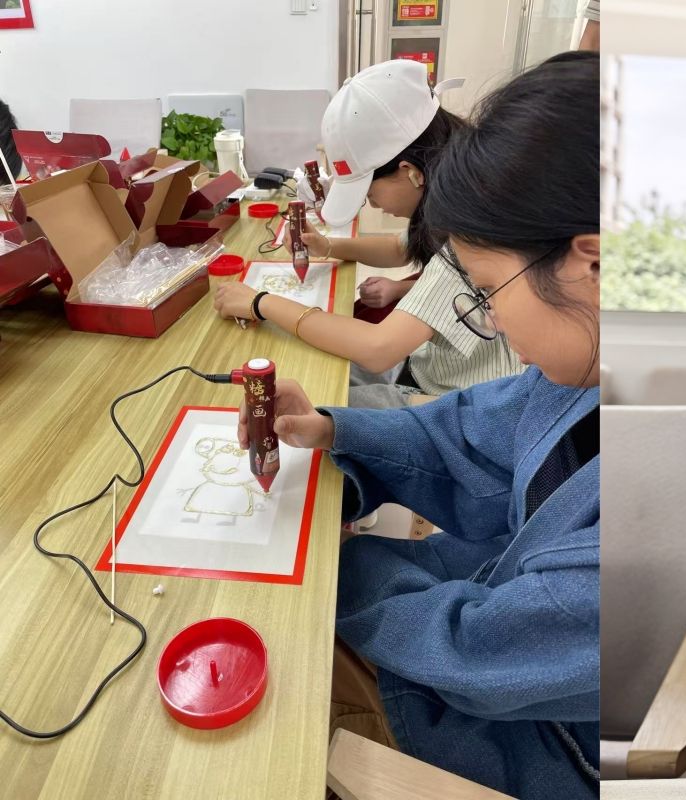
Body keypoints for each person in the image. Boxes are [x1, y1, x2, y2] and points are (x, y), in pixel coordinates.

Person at [240, 52, 600, 799]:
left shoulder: (648, 504)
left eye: (489, 290)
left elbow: (476, 653)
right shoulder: (583, 380)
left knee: (275, 693)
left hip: (530, 745)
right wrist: (333, 429)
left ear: (589, 264)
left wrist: (338, 567)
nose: (488, 318)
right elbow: (465, 434)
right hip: (490, 620)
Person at [214, 59, 524, 407]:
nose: (371, 204)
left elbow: (378, 349)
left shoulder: (467, 235)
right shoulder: (461, 197)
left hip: (455, 403)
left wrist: (260, 302)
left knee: (310, 399)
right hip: (428, 368)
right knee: (315, 365)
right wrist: (327, 245)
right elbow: (399, 248)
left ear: (410, 171)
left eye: (369, 191)